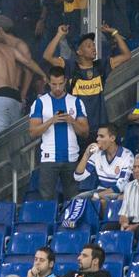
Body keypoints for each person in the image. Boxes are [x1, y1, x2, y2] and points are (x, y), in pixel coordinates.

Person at [28, 67, 90, 201]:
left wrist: (71, 121)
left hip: (72, 158)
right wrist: (51, 121)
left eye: (60, 84)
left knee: (73, 199)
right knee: (46, 200)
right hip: (49, 158)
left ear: (65, 82)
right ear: (48, 83)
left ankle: (71, 223)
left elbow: (85, 133)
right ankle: (48, 222)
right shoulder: (40, 102)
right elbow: (33, 132)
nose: (57, 88)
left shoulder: (76, 102)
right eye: (54, 84)